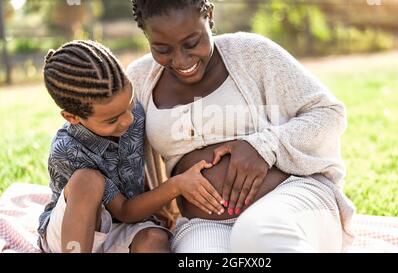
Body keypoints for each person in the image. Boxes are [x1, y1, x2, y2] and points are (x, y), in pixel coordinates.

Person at [128, 0, 355, 252]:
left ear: (210, 17)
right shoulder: (139, 79)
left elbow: (329, 113)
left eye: (191, 43)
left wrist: (263, 146)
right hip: (203, 223)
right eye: (162, 49)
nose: (180, 60)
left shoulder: (251, 52)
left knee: (256, 234)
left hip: (291, 198)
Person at [37, 40, 225, 253]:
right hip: (69, 239)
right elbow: (124, 210)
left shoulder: (134, 116)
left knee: (154, 238)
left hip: (120, 229)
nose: (127, 120)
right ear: (72, 117)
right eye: (111, 120)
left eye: (130, 104)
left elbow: (132, 184)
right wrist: (177, 185)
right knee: (87, 180)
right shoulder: (67, 149)